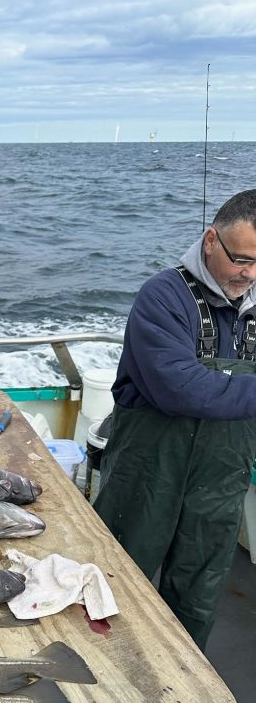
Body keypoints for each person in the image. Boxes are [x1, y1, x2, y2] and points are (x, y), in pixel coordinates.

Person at [94, 189, 256, 651]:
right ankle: (105, 673)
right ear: (211, 241)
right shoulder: (163, 297)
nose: (250, 274)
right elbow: (180, 388)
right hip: (146, 477)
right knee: (119, 580)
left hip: (220, 481)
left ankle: (181, 684)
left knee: (198, 593)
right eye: (242, 259)